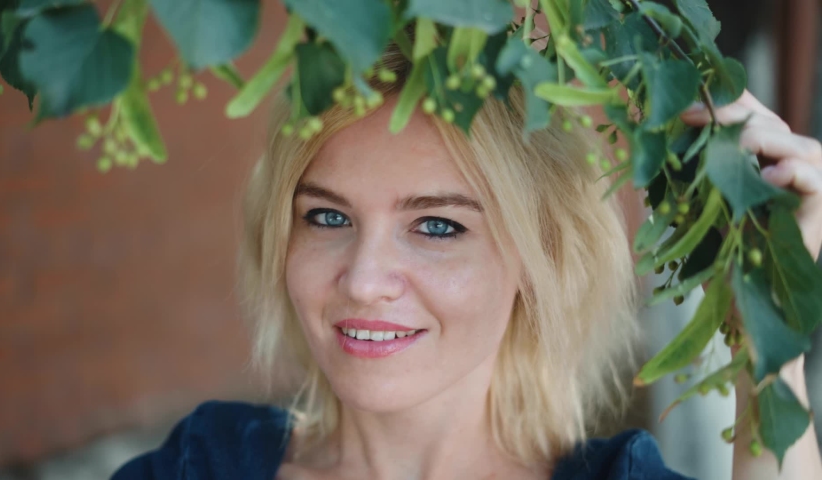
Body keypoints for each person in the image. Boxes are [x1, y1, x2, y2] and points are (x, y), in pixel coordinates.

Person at [111, 39, 822, 480]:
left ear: (538, 254)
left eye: (437, 226)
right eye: (328, 217)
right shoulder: (201, 466)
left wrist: (774, 316)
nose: (362, 281)